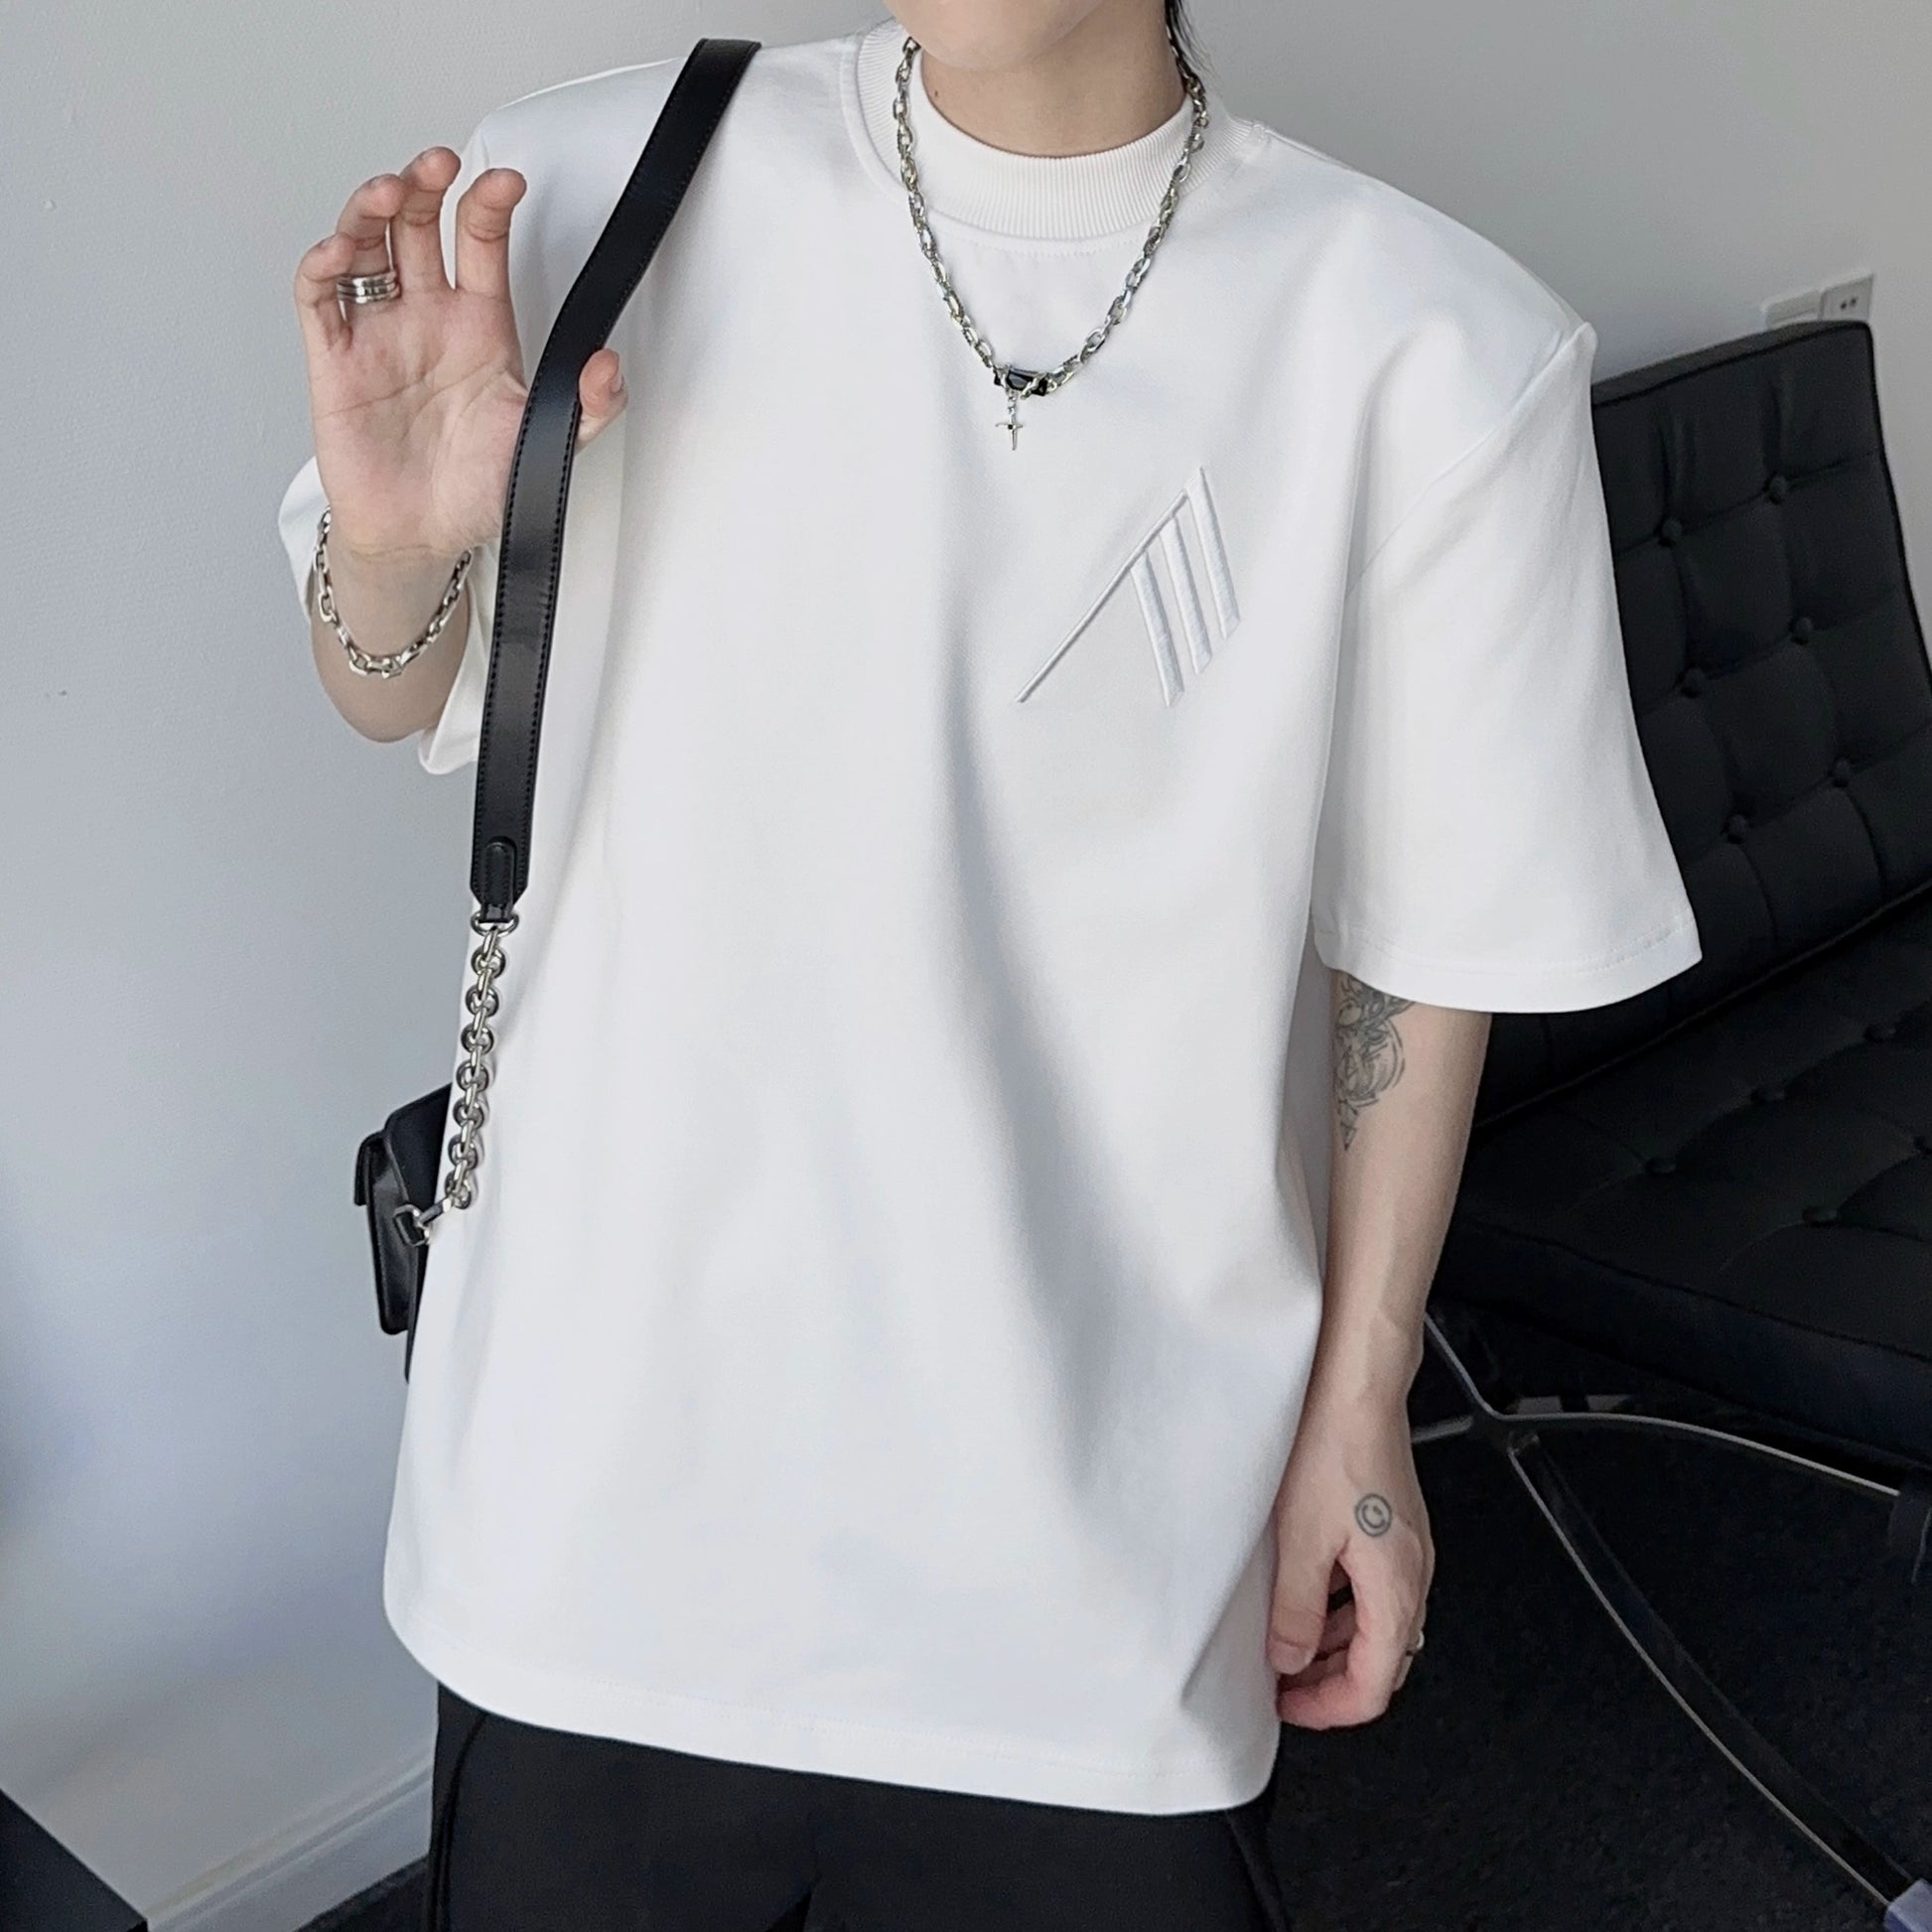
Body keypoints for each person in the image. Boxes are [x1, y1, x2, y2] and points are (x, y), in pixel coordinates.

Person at [277, 3, 1700, 1926]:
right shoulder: (591, 187)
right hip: (591, 1531)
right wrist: (393, 554)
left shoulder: (1428, 345)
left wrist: (1361, 1404)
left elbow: (1415, 944)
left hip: (1091, 1579)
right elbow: (399, 688)